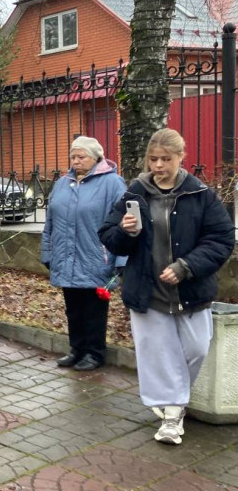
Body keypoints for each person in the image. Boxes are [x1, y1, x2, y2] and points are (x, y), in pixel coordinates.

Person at [99, 128, 234, 446]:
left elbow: (221, 238)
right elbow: (108, 235)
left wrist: (186, 266)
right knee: (159, 354)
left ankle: (171, 398)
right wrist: (125, 231)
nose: (158, 165)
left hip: (190, 290)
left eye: (166, 159)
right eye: (153, 159)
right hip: (148, 291)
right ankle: (173, 417)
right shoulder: (135, 193)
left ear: (181, 157)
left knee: (196, 348)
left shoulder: (201, 194)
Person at [41, 136, 127, 371]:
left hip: (97, 257)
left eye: (81, 156)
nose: (76, 161)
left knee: (93, 310)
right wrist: (47, 252)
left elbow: (124, 223)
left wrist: (121, 259)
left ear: (96, 158)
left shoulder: (113, 183)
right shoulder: (62, 183)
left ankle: (94, 353)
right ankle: (77, 349)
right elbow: (50, 222)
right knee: (73, 308)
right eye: (73, 156)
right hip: (65, 257)